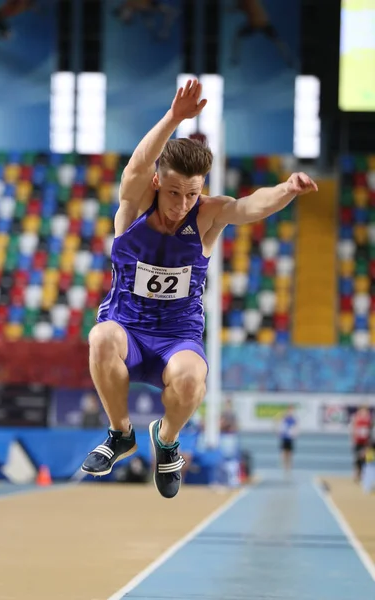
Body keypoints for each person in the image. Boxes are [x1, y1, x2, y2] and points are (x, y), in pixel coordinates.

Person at [81, 79, 318, 499]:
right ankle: (120, 434)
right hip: (127, 329)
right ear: (158, 183)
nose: (182, 203)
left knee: (193, 381)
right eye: (174, 192)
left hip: (178, 337)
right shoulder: (135, 206)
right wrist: (174, 118)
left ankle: (167, 440)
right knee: (99, 337)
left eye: (192, 193)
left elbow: (249, 206)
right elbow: (136, 166)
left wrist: (287, 189)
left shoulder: (207, 215)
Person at [229, 0, 296, 68]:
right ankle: (288, 58)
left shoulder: (243, 3)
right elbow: (236, 8)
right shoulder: (244, 3)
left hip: (256, 24)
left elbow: (234, 9)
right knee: (278, 41)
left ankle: (235, 58)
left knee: (238, 36)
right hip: (263, 23)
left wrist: (229, 8)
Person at [350, 406, 372, 482]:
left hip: (366, 443)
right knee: (357, 458)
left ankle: (363, 474)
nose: (364, 413)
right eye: (363, 411)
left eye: (366, 411)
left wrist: (369, 443)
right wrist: (352, 440)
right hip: (357, 442)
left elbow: (370, 432)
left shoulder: (369, 420)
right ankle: (356, 473)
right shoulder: (356, 419)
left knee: (366, 459)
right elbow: (353, 430)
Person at [278, 405, 298, 475]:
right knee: (283, 453)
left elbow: (296, 427)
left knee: (290, 453)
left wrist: (295, 433)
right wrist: (280, 433)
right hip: (284, 437)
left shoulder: (294, 419)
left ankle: (289, 467)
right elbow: (281, 426)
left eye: (292, 410)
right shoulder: (284, 418)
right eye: (289, 410)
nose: (290, 412)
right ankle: (284, 467)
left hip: (290, 438)